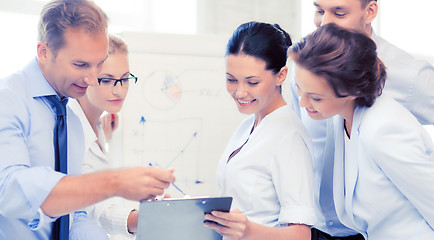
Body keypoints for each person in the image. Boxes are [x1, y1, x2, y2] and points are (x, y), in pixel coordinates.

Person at [0, 0, 175, 239]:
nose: (93, 78)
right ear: (44, 52)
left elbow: (74, 217)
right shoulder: (7, 99)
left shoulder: (71, 123)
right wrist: (115, 182)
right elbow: (9, 190)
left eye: (99, 63)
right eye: (80, 64)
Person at [288, 0, 434, 239]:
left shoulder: (384, 128)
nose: (304, 104)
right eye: (319, 11)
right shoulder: (340, 113)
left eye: (339, 12)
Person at [203, 21, 316, 240]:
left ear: (281, 76)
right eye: (231, 80)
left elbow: (301, 234)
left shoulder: (289, 135)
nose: (240, 92)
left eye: (252, 82)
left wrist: (248, 231)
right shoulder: (248, 126)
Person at [68, 34, 140, 238]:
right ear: (86, 77)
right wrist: (143, 219)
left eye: (125, 79)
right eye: (107, 80)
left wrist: (103, 138)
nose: (119, 91)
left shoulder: (98, 125)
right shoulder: (69, 134)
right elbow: (92, 207)